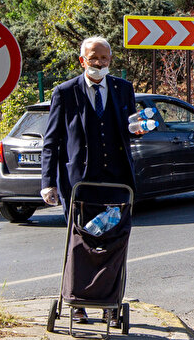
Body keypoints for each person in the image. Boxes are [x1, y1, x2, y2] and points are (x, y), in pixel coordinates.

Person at [41, 36, 141, 322]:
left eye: (104, 59)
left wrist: (139, 129)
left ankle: (110, 304)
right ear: (82, 60)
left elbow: (131, 126)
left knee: (114, 243)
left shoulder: (123, 89)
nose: (99, 63)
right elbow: (52, 142)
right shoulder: (65, 92)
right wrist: (47, 182)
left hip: (116, 184)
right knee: (81, 244)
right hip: (80, 186)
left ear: (110, 60)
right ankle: (78, 304)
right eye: (93, 58)